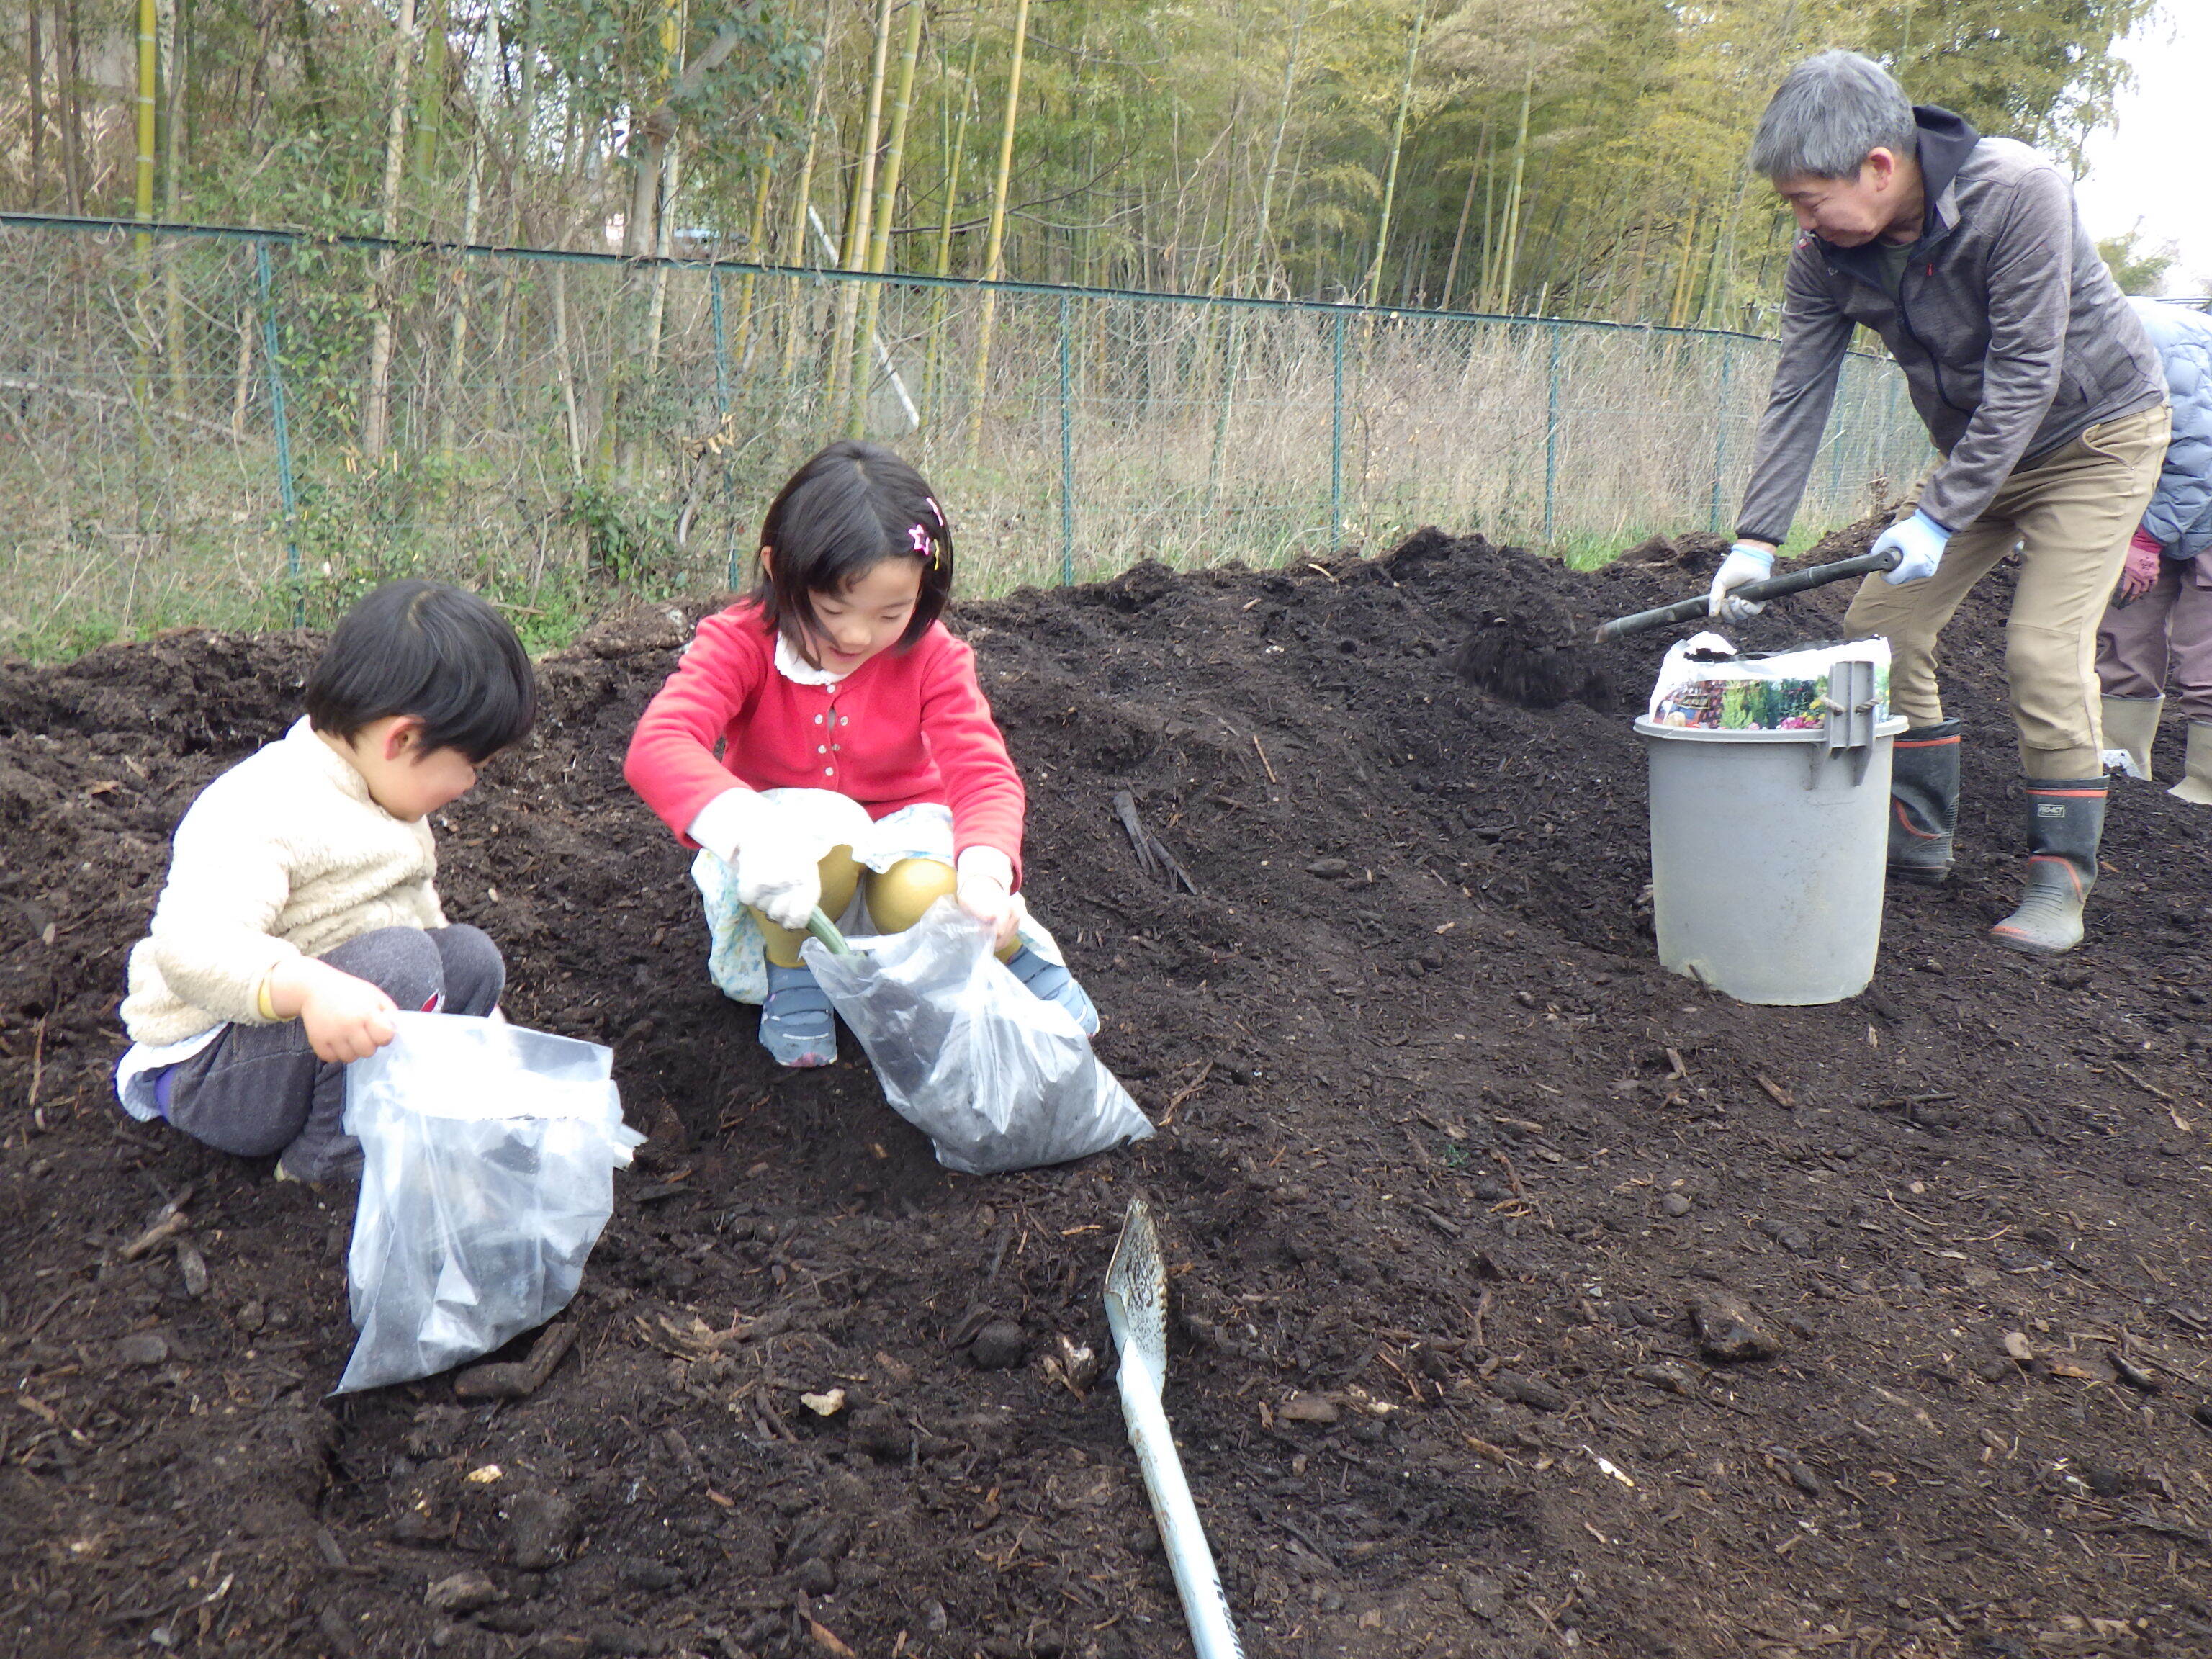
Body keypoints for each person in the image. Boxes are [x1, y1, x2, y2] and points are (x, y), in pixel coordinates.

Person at [1708, 50, 2170, 956]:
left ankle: (2059, 880)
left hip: (2096, 437)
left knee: (2040, 650)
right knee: (1881, 626)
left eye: (1808, 199)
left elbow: (2030, 372)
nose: (1801, 221)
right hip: (1982, 453)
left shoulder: (2019, 192)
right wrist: (1756, 542)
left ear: (1879, 167)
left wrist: (1938, 516)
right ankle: (1919, 831)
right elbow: (1800, 389)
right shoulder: (1829, 257)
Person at [624, 439, 1097, 1069]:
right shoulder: (740, 644)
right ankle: (794, 971)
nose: (855, 635)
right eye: (831, 609)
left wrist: (985, 877)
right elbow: (659, 745)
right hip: (792, 864)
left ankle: (1007, 955)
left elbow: (982, 775)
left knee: (924, 894)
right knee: (817, 859)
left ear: (922, 593)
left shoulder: (933, 657)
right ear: (778, 569)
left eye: (889, 614)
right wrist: (749, 834)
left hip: (906, 834)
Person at [114, 580, 539, 1182]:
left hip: (318, 1042)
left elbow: (423, 919)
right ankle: (327, 1169)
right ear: (403, 738)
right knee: (402, 964)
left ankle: (417, 1112)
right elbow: (191, 951)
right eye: (469, 767)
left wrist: (496, 1048)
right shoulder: (263, 805)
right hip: (212, 1068)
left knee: (471, 958)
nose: (470, 786)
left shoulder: (390, 805)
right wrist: (311, 989)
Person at [2095, 297, 2212, 801]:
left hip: (2193, 478)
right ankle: (2122, 760)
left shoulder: (2147, 338)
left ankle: (2205, 783)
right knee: (2124, 623)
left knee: (2204, 644)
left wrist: (2146, 540)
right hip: (2148, 492)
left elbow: (2197, 451)